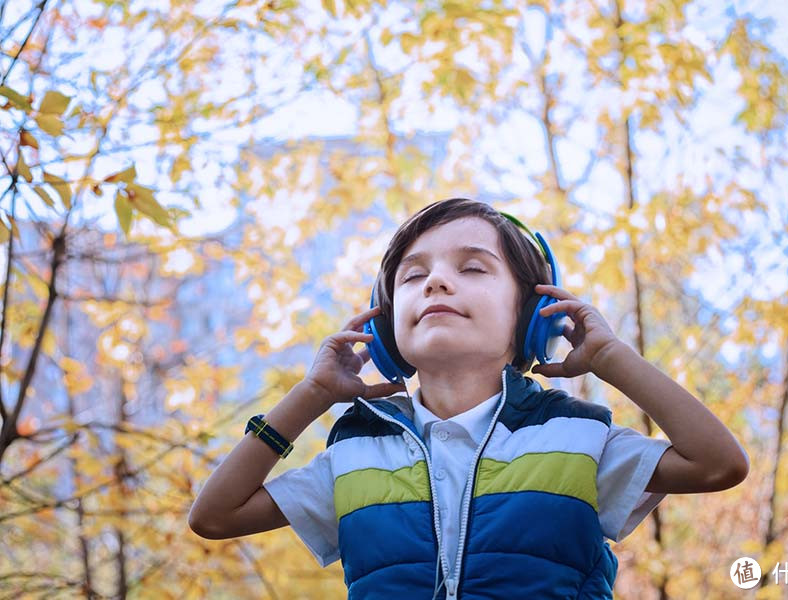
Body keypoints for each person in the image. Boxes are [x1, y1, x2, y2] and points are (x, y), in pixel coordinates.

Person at [189, 198, 750, 599]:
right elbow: (214, 515)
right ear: (386, 332)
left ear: (531, 316)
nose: (435, 282)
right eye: (413, 277)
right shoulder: (355, 456)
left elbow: (718, 463)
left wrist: (610, 357)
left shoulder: (576, 440)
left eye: (473, 267)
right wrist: (311, 396)